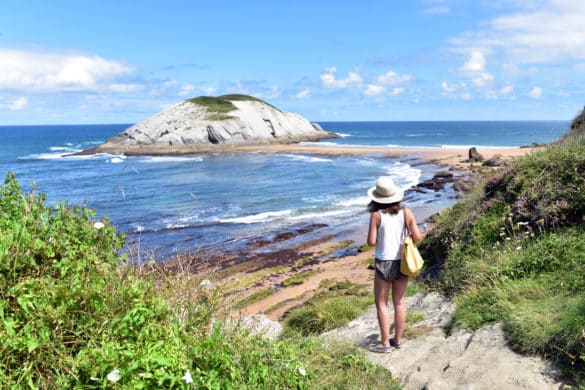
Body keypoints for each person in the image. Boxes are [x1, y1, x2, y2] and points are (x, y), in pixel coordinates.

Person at [366, 176, 422, 352]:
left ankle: (384, 343)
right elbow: (418, 237)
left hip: (384, 262)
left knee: (381, 303)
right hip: (402, 261)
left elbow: (371, 242)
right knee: (399, 302)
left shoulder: (376, 215)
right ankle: (397, 340)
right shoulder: (407, 212)